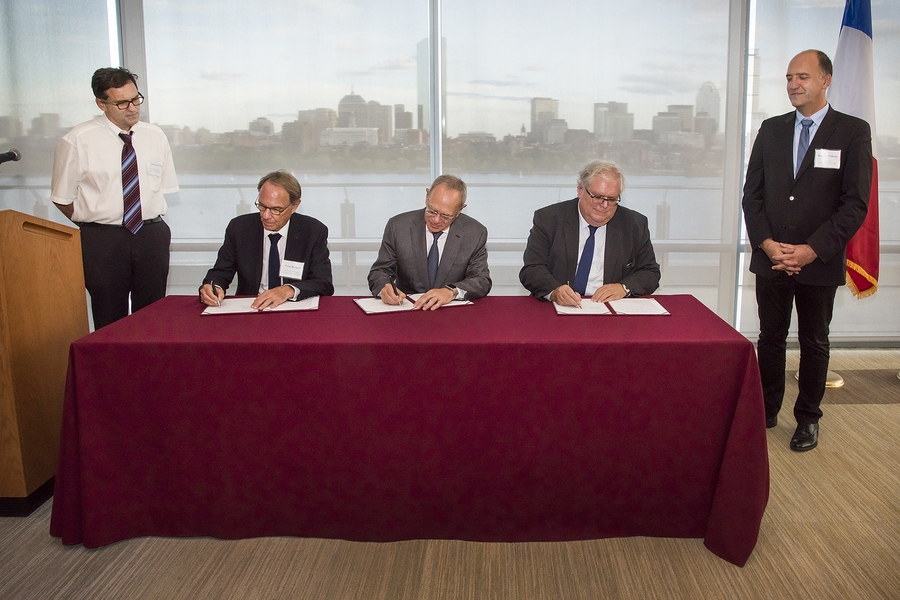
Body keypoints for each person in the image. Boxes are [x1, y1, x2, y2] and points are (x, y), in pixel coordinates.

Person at [742, 49, 872, 452]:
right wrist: (766, 244)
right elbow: (753, 196)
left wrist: (812, 250)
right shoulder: (771, 128)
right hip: (772, 257)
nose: (793, 85)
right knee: (771, 338)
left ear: (825, 80)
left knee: (815, 340)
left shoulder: (852, 131)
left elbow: (855, 203)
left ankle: (808, 419)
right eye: (788, 78)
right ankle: (765, 410)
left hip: (818, 261)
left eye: (803, 77)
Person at [51, 67, 178, 329]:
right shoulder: (77, 140)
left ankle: (149, 369)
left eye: (135, 99)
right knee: (110, 318)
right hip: (103, 240)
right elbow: (62, 198)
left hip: (151, 235)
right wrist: (93, 222)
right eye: (121, 103)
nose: (132, 108)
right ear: (101, 103)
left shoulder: (155, 136)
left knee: (153, 317)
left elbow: (163, 186)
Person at [519, 160, 660, 305]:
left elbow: (650, 272)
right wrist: (555, 291)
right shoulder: (549, 219)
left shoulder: (634, 224)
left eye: (611, 199)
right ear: (580, 190)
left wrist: (623, 288)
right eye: (598, 197)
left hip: (611, 309)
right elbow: (531, 269)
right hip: (558, 309)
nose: (604, 205)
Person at [200, 170, 333, 309]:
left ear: (294, 206)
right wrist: (212, 286)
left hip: (293, 308)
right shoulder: (240, 228)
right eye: (262, 206)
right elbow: (221, 272)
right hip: (250, 307)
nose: (266, 216)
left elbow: (324, 283)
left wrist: (288, 290)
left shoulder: (313, 231)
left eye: (276, 209)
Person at [367, 174, 491, 310]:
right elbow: (379, 272)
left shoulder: (475, 232)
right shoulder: (398, 226)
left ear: (460, 210)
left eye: (445, 215)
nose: (436, 220)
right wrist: (384, 288)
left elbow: (481, 280)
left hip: (451, 313)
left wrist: (451, 291)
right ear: (427, 196)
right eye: (432, 210)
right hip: (407, 310)